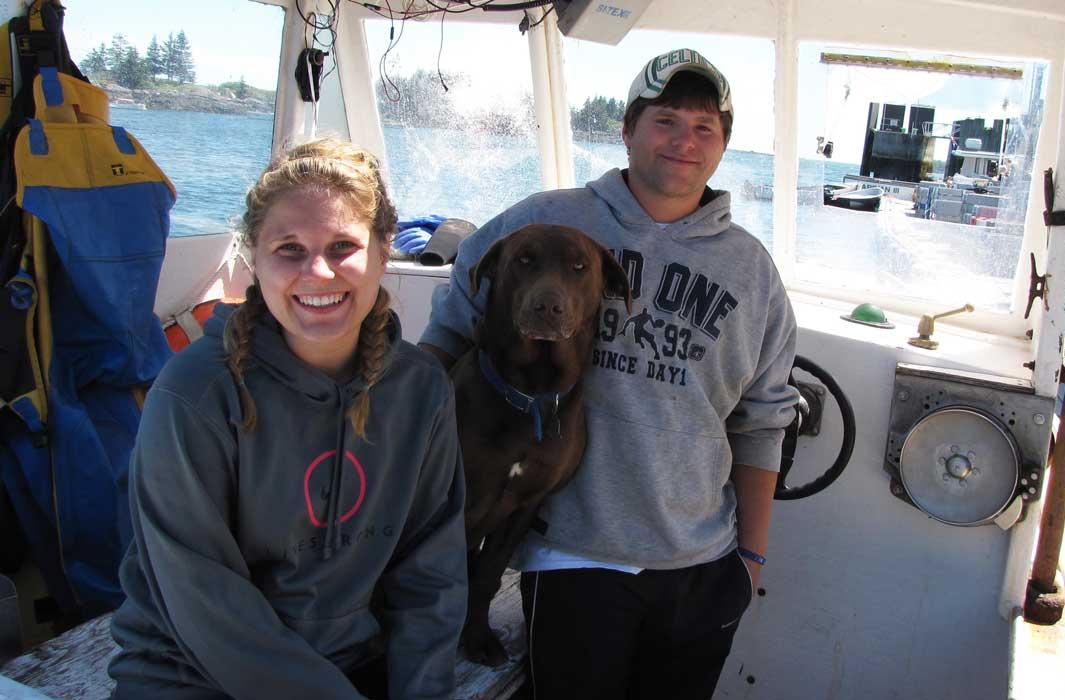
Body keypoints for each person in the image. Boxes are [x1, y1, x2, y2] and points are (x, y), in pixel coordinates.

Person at [419, 49, 799, 699]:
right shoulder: (541, 220)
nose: (684, 140)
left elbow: (762, 421)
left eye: (705, 128)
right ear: (627, 129)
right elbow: (447, 336)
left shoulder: (752, 269)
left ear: (724, 146)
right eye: (666, 120)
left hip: (702, 563)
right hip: (574, 559)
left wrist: (750, 561)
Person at [108, 138, 468, 699]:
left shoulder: (421, 391)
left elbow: (431, 575)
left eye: (343, 245)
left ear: (382, 250)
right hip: (192, 672)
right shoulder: (197, 392)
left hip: (350, 665)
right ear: (254, 255)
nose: (318, 272)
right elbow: (203, 599)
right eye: (290, 248)